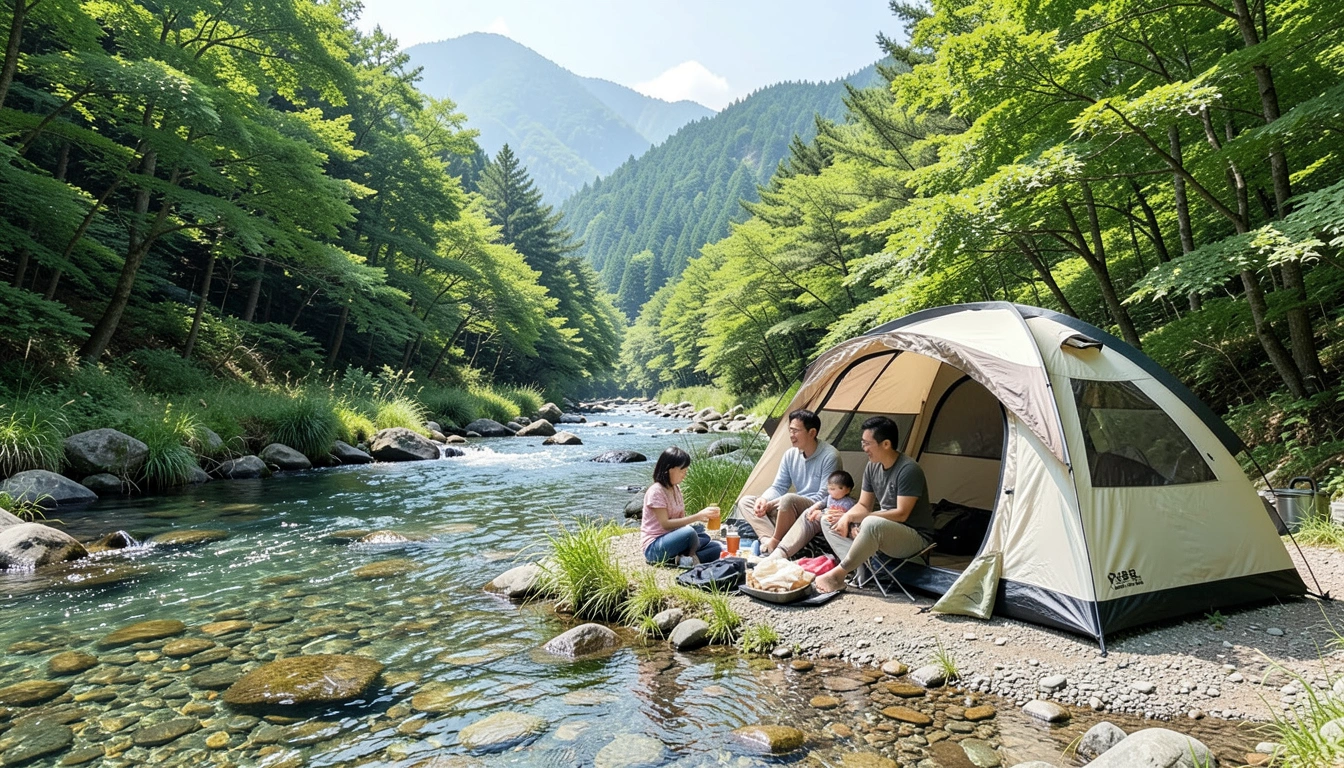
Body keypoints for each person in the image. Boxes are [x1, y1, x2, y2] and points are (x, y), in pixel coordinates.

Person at [814, 416, 934, 593]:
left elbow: (902, 514)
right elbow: (863, 505)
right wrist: (849, 518)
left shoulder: (908, 469)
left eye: (867, 443)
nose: (864, 449)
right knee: (828, 519)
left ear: (886, 444)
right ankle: (861, 566)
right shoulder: (872, 467)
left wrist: (862, 523)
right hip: (881, 532)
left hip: (914, 538)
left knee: (870, 523)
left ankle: (838, 574)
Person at [734, 409, 838, 556]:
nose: (791, 435)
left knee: (788, 499)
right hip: (788, 507)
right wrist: (764, 500)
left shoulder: (830, 456)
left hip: (814, 508)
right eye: (790, 430)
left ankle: (776, 541)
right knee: (746, 502)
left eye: (795, 431)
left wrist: (775, 503)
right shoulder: (790, 454)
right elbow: (779, 486)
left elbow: (824, 497)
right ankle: (768, 541)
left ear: (812, 432)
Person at [642, 446, 724, 566]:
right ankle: (688, 558)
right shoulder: (656, 491)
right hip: (655, 546)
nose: (684, 474)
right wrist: (698, 516)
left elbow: (681, 523)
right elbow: (665, 524)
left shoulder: (676, 489)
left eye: (686, 470)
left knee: (716, 546)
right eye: (682, 470)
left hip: (673, 539)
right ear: (669, 469)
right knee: (690, 533)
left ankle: (681, 559)